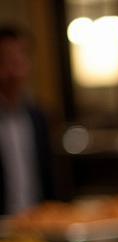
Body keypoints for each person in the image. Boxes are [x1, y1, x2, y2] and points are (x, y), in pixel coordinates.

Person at [0, 25, 55, 216]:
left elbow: (49, 175)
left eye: (21, 57)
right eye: (7, 58)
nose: (15, 67)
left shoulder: (38, 115)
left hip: (37, 222)